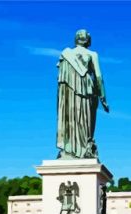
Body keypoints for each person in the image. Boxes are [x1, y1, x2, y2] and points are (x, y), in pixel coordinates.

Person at [56, 29, 109, 159]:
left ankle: (69, 149)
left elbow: (61, 80)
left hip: (68, 93)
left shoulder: (66, 54)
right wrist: (103, 97)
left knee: (70, 118)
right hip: (86, 91)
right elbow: (98, 76)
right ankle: (84, 149)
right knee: (85, 120)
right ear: (88, 40)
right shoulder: (92, 54)